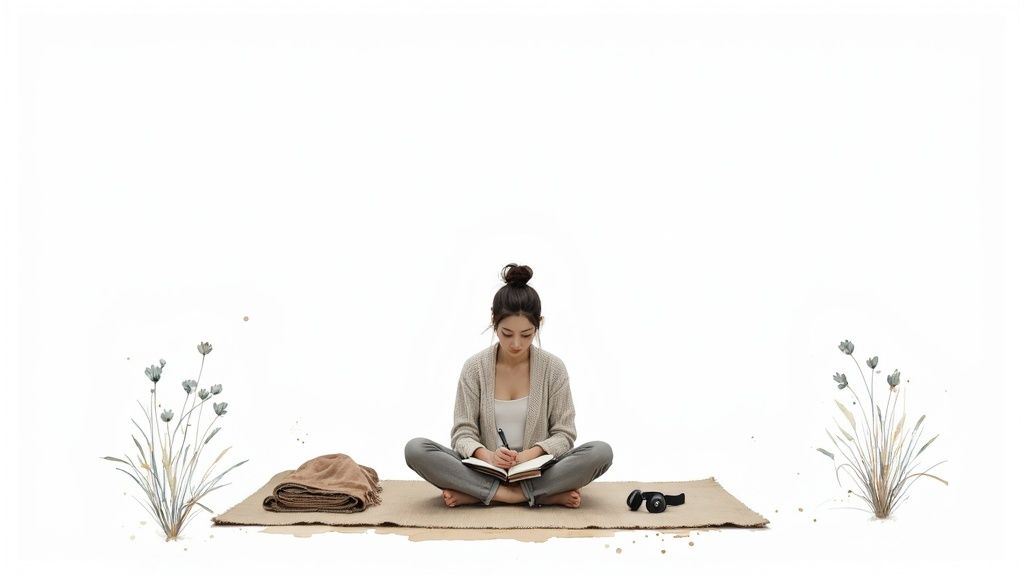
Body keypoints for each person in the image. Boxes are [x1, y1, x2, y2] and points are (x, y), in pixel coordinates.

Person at [405, 263, 613, 508]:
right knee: (416, 449)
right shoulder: (474, 368)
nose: (516, 343)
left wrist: (527, 456)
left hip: (539, 471)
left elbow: (564, 434)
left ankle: (485, 494)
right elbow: (462, 433)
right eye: (506, 333)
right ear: (494, 321)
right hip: (485, 470)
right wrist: (489, 457)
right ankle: (525, 495)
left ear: (539, 324)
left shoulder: (553, 368)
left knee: (601, 452)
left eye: (526, 334)